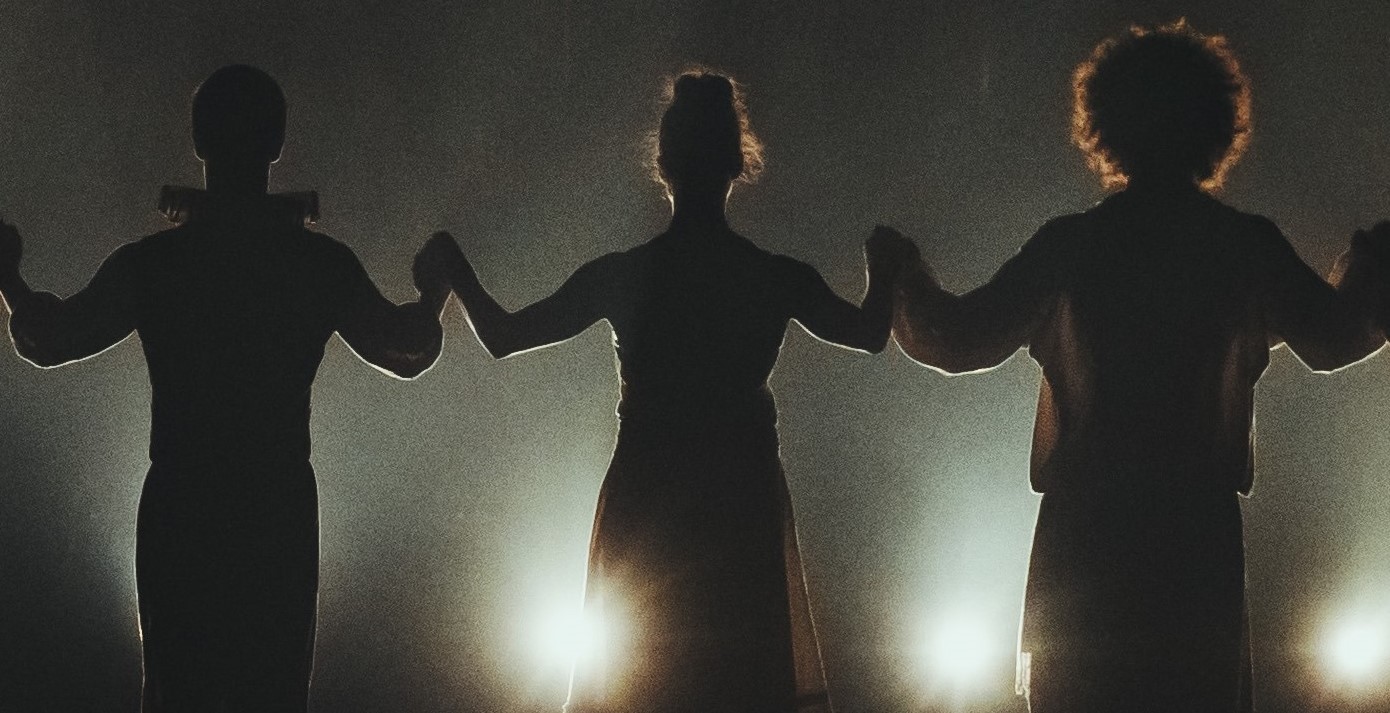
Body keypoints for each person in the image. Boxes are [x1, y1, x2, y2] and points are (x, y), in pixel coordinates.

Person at [879, 22, 1385, 713]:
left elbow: (957, 338)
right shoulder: (1244, 246)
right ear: (1214, 124)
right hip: (1193, 540)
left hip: (1089, 535)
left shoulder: (1072, 246)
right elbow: (1335, 337)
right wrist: (1372, 266)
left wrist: (904, 276)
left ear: (1108, 123)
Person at [416, 71, 905, 713]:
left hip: (649, 503)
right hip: (737, 506)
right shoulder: (772, 277)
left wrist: (454, 270)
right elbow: (869, 333)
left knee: (649, 679)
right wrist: (884, 267)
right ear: (736, 165)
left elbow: (505, 336)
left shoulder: (625, 275)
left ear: (664, 165)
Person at [0, 65, 445, 712]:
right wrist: (436, 287)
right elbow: (406, 350)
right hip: (276, 513)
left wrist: (8, 275)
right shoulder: (319, 264)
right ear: (278, 143)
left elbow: (50, 339)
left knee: (179, 690)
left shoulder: (155, 264)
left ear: (198, 140)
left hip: (184, 510)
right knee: (273, 691)